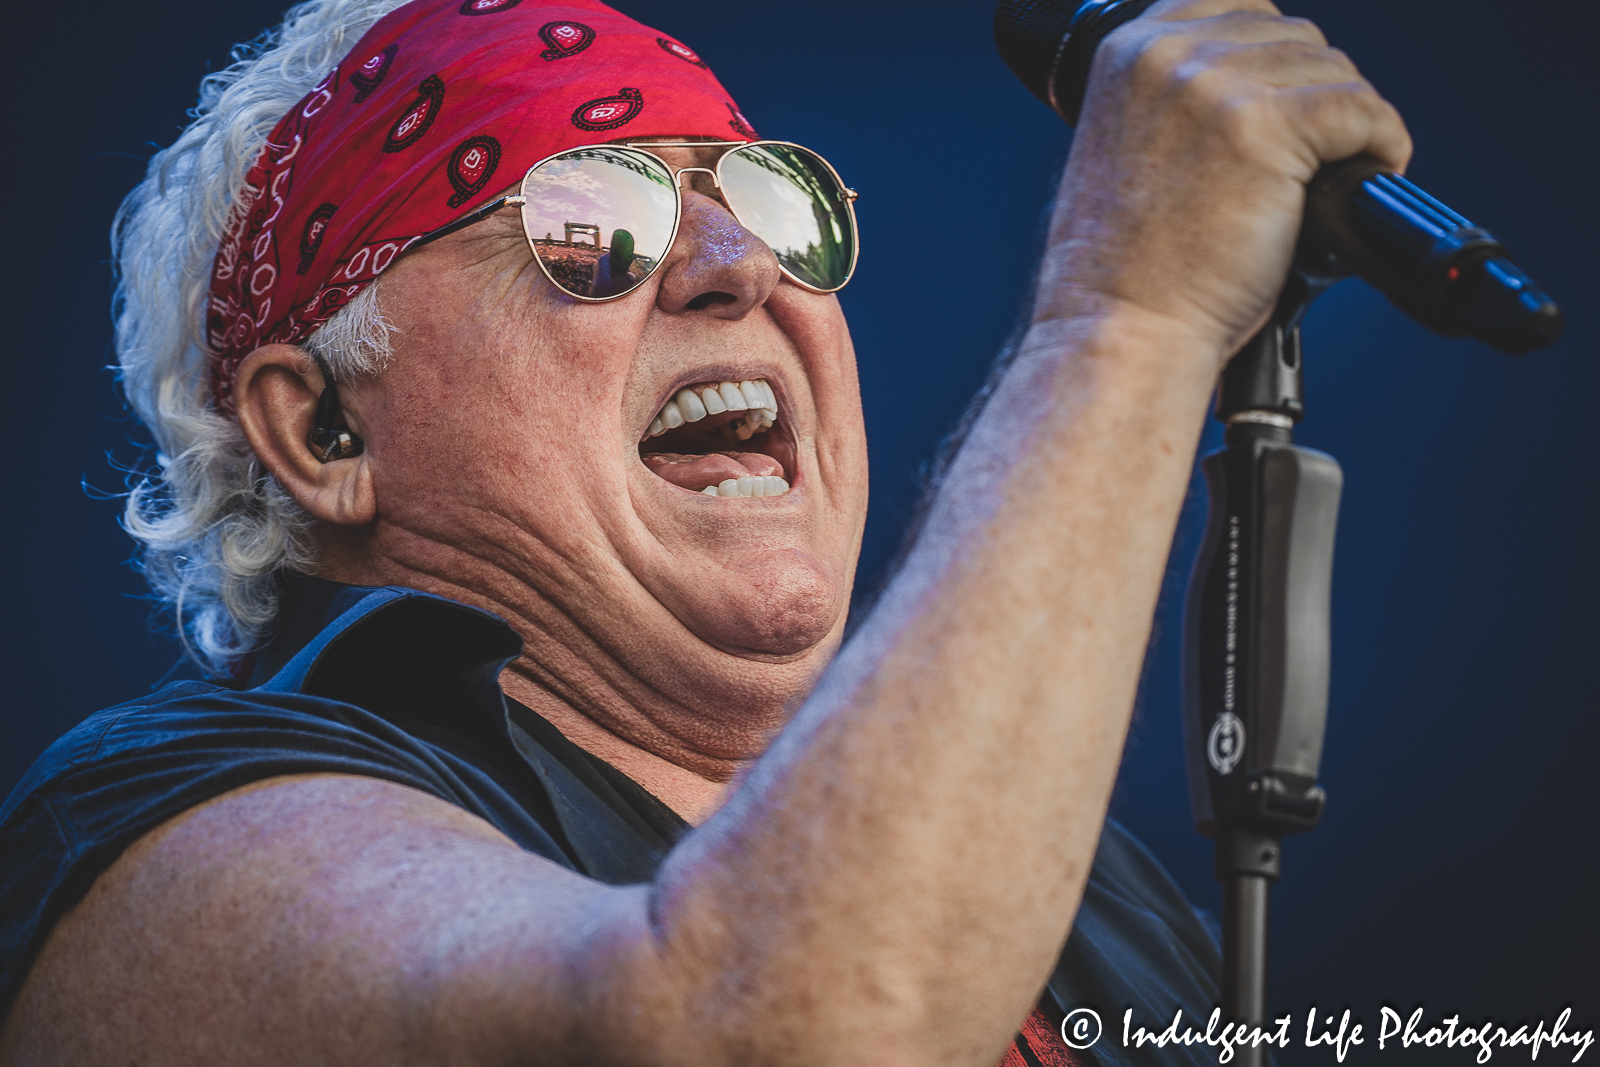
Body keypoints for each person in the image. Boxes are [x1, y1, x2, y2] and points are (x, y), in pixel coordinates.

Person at [0, 0, 1410, 1062]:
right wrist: (1127, 313)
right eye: (590, 220)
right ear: (325, 433)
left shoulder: (1077, 882)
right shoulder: (164, 830)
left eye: (767, 202)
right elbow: (757, 1030)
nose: (736, 266)